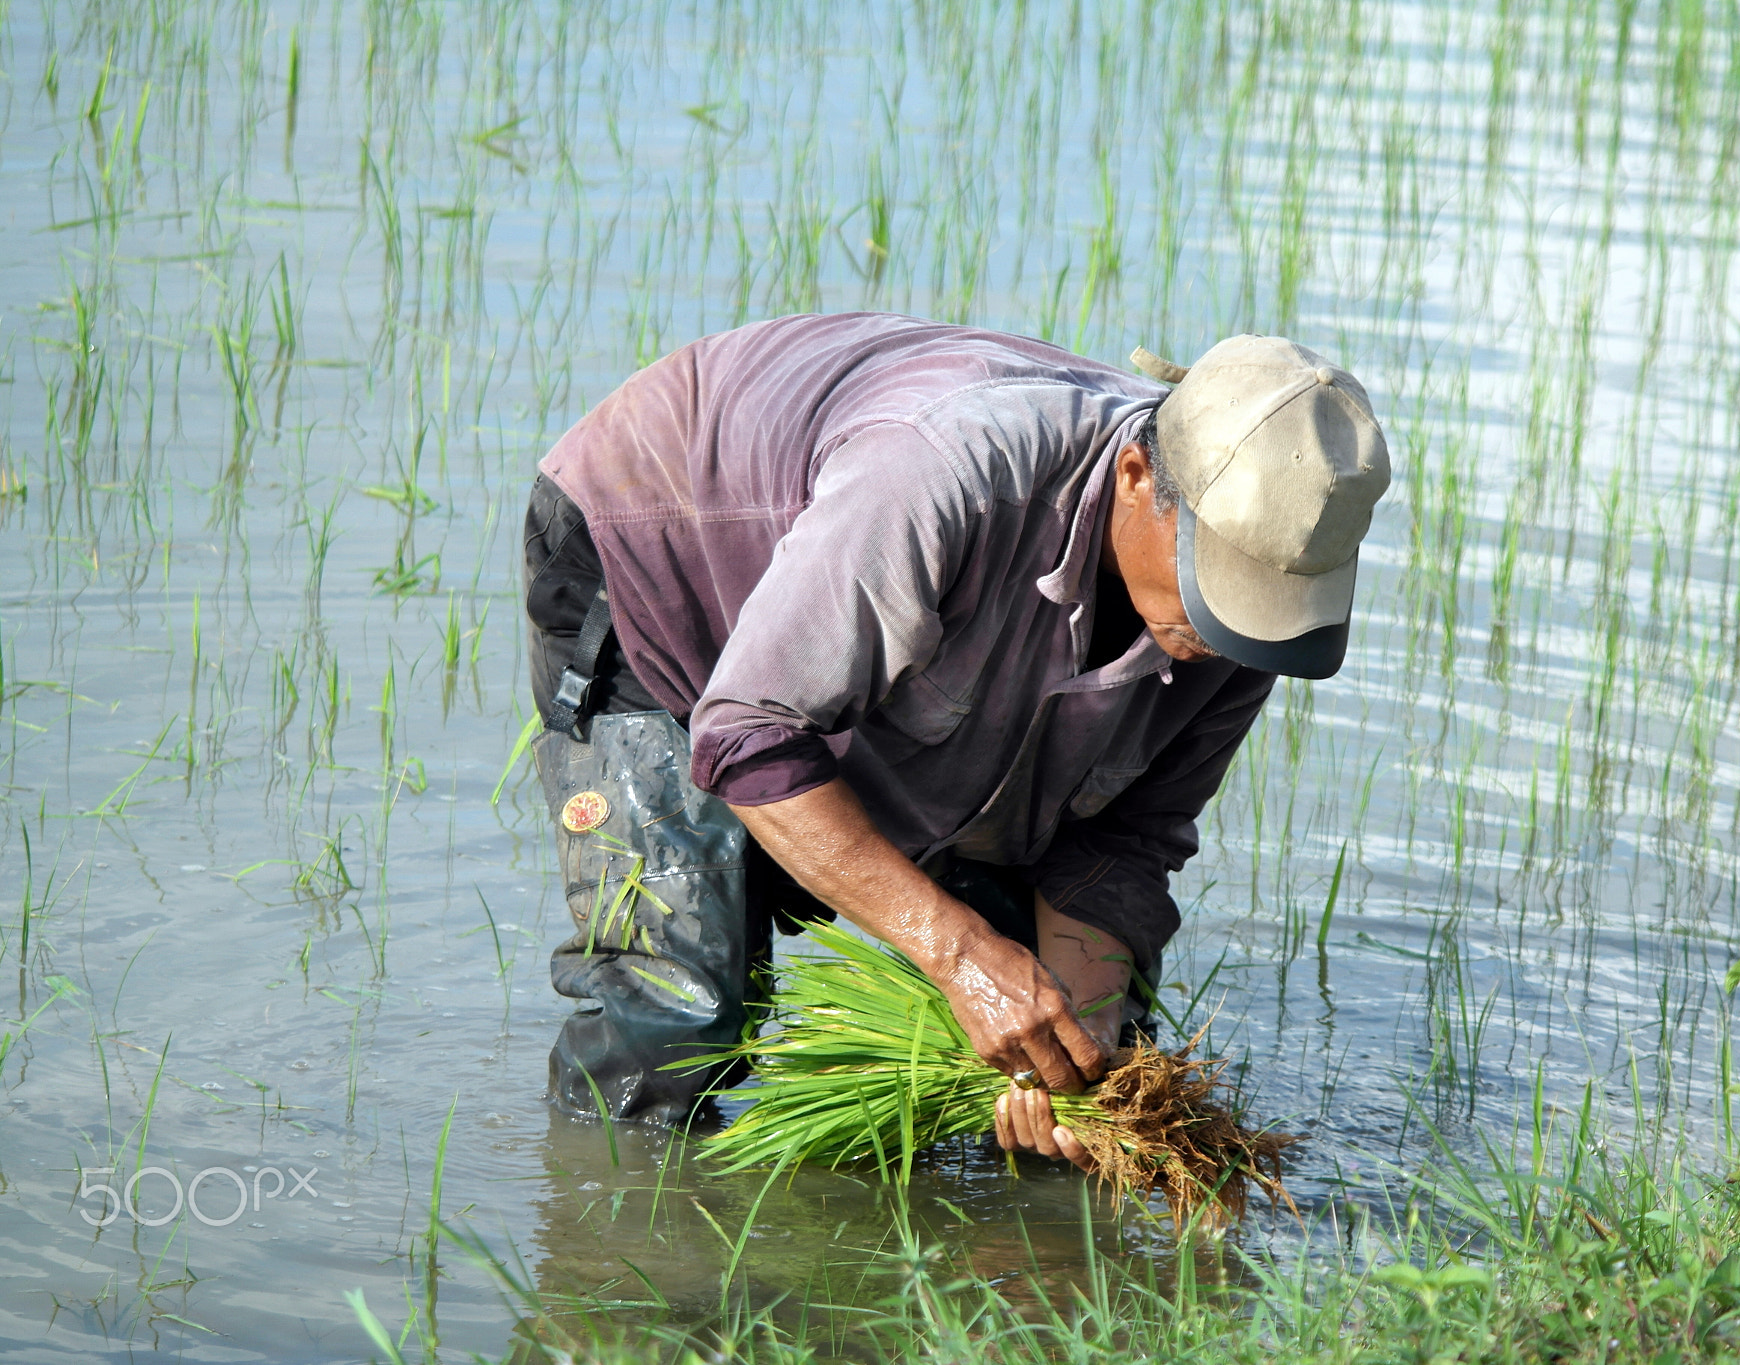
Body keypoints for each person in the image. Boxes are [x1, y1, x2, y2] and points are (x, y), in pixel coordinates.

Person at [521, 312, 1389, 1168]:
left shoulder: (1249, 624)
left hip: (874, 661)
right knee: (682, 1010)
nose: (1227, 636)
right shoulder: (943, 478)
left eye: (1262, 607)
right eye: (1219, 588)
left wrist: (1075, 1049)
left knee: (1048, 1028)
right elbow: (750, 726)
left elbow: (1124, 836)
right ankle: (620, 1244)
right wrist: (959, 953)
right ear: (1134, 476)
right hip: (659, 562)